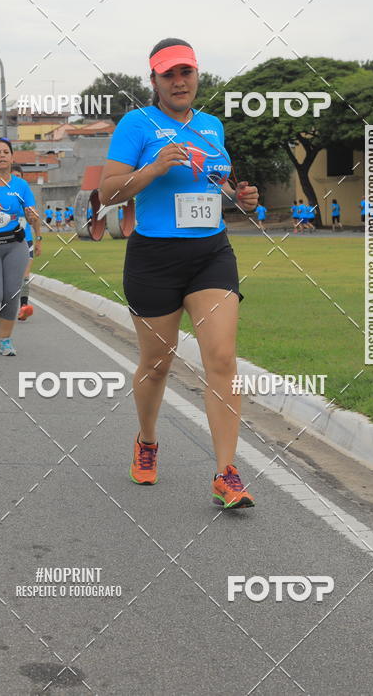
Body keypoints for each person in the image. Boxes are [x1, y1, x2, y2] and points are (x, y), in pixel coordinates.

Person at [99, 37, 258, 510]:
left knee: (222, 360)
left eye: (185, 71)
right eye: (168, 74)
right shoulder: (136, 124)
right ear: (153, 81)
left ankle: (226, 473)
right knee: (156, 364)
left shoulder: (211, 126)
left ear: (196, 75)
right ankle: (147, 440)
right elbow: (108, 192)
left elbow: (216, 185)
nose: (179, 81)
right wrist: (150, 169)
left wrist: (240, 198)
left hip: (211, 254)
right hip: (154, 260)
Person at [0, 138, 40, 355]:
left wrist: (32, 217)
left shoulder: (21, 185)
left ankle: (5, 340)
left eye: (6, 152)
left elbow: (32, 213)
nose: (2, 155)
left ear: (12, 157)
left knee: (11, 294)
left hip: (15, 245)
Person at [12, 163, 40, 320]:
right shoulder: (4, 196)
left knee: (25, 273)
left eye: (19, 177)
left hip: (26, 240)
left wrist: (39, 239)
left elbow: (35, 219)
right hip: (7, 241)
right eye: (13, 176)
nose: (16, 179)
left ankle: (24, 306)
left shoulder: (26, 195)